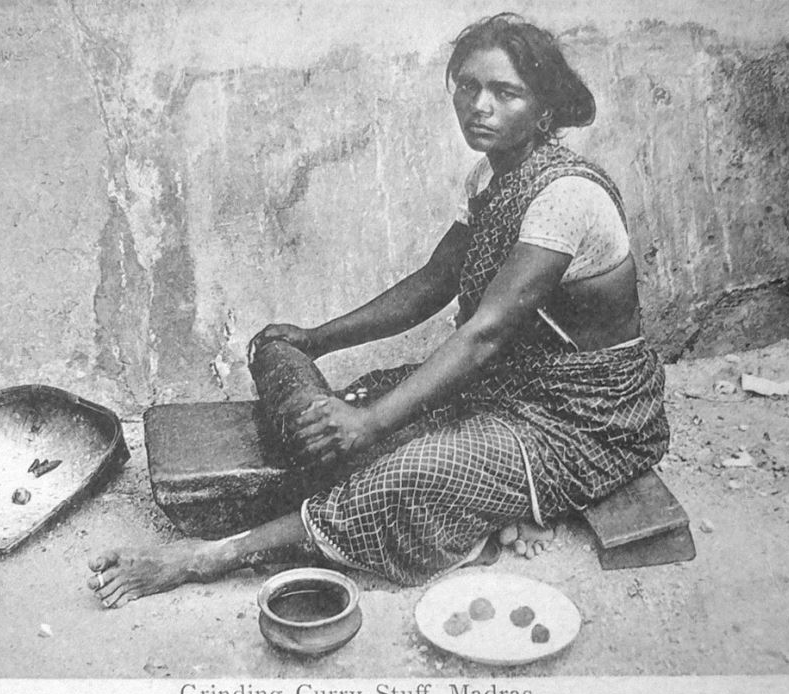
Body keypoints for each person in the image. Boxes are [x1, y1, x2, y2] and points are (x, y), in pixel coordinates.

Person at [87, 12, 669, 608]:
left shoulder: (568, 197)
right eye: (467, 86)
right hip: (511, 388)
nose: (479, 106)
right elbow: (430, 285)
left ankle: (204, 558)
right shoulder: (493, 176)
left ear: (543, 107)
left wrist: (373, 423)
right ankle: (467, 514)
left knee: (402, 465)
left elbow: (485, 334)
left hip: (587, 418)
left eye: (505, 92)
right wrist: (316, 340)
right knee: (352, 408)